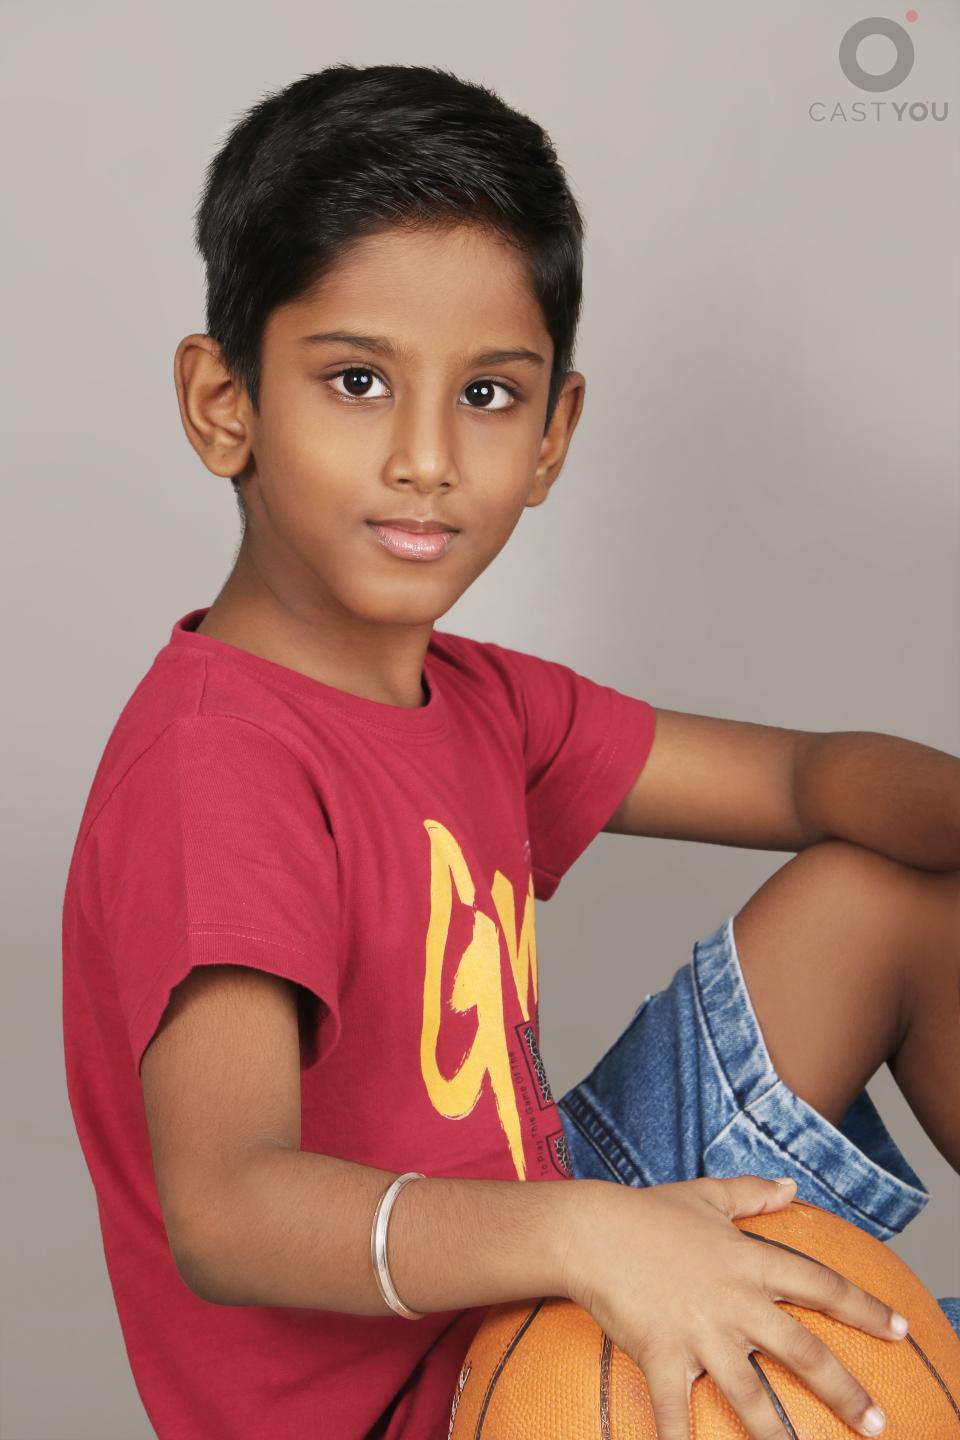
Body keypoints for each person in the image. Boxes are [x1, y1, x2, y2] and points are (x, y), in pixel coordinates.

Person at [60, 63, 960, 1440]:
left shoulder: (480, 699)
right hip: (418, 1401)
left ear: (551, 437)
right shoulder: (218, 765)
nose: (426, 456)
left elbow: (805, 778)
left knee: (890, 895)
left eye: (486, 393)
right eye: (358, 380)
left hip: (527, 1260)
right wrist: (590, 1233)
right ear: (224, 402)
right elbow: (228, 1208)